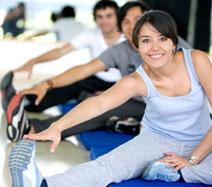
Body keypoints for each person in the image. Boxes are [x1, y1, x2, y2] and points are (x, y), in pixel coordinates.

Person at [9, 10, 212, 186]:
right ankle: (42, 183)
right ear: (137, 46)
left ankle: (174, 171)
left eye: (162, 38)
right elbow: (98, 104)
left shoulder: (196, 60)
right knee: (109, 166)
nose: (155, 47)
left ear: (173, 42)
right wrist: (57, 127)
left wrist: (191, 159)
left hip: (204, 139)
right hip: (156, 139)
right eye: (146, 40)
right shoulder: (136, 80)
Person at [5, 1, 192, 142]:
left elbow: (199, 79)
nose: (131, 26)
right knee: (97, 103)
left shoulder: (172, 43)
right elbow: (84, 70)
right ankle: (33, 128)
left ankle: (132, 124)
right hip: (140, 103)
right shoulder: (120, 49)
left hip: (175, 109)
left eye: (137, 19)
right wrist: (46, 84)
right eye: (125, 22)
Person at [14, 0, 123, 82]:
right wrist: (33, 61)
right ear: (95, 18)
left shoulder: (127, 36)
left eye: (109, 16)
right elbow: (60, 51)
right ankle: (24, 102)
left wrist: (26, 37)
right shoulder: (89, 32)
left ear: (118, 17)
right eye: (100, 17)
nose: (104, 21)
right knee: (57, 85)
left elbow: (44, 32)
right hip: (95, 78)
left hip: (122, 82)